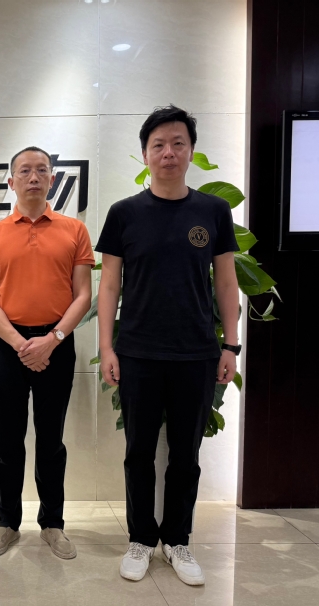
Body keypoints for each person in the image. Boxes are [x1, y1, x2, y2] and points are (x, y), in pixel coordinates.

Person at [96, 105, 240, 586]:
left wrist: (231, 346)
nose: (169, 153)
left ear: (191, 151)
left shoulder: (213, 211)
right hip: (137, 352)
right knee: (138, 451)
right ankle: (141, 538)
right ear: (145, 154)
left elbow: (226, 283)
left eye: (178, 143)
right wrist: (108, 348)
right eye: (158, 145)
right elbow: (109, 286)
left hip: (197, 353)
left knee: (185, 454)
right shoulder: (124, 214)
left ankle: (178, 540)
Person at [0, 146, 94, 560]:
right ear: (11, 181)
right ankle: (7, 523)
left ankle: (53, 524)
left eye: (42, 170)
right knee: (9, 437)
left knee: (51, 438)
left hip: (57, 344)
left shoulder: (74, 230)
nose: (33, 177)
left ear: (53, 180)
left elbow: (83, 295)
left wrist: (52, 339)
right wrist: (20, 343)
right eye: (24, 171)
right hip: (9, 346)